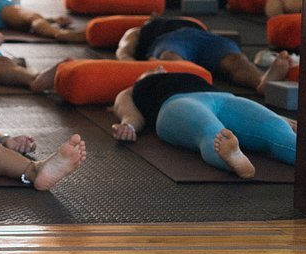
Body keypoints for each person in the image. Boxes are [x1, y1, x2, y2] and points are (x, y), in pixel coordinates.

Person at [111, 67, 294, 179]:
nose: (157, 66)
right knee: (212, 131)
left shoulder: (189, 74)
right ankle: (233, 159)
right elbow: (130, 114)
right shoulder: (132, 90)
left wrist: (282, 119)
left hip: (223, 98)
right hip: (174, 104)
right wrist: (128, 127)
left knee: (278, 130)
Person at [116, 15, 291, 95]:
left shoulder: (162, 24)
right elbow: (123, 51)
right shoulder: (140, 30)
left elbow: (123, 53)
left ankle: (262, 81)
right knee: (171, 56)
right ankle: (196, 88)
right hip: (171, 40)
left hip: (206, 38)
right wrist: (133, 69)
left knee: (236, 59)